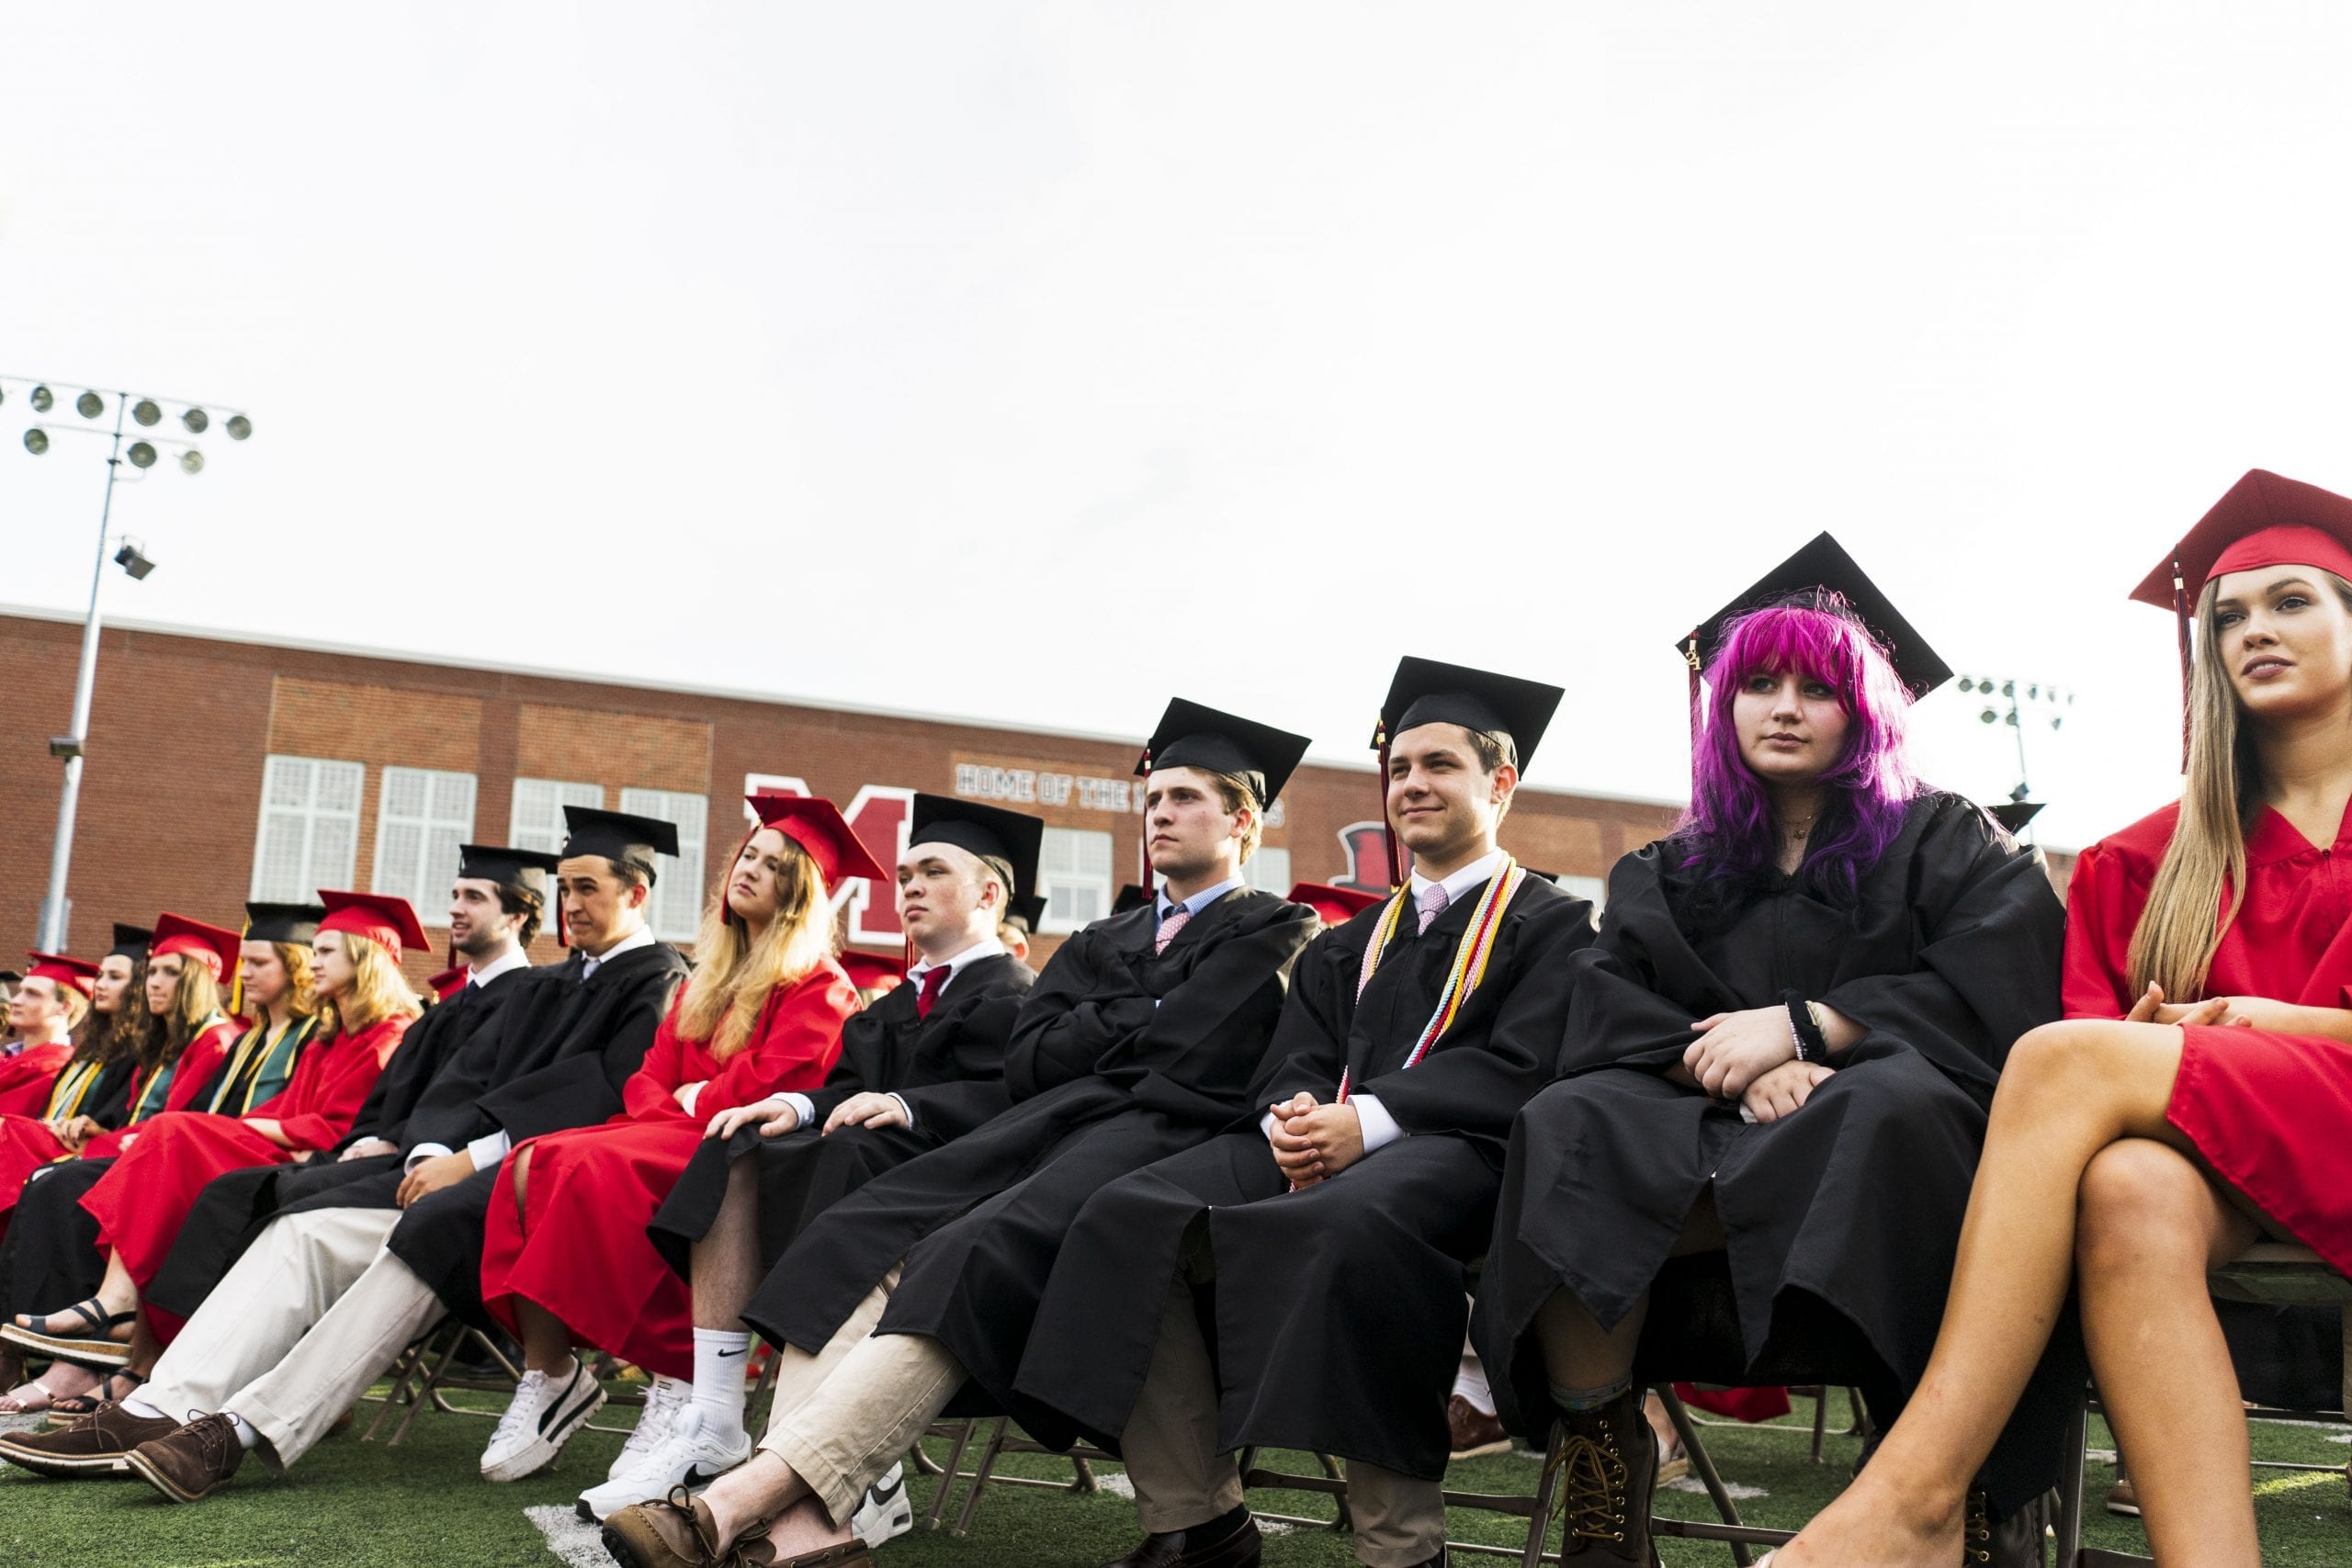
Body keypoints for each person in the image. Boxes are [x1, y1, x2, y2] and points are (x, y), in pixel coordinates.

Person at [1776, 470, 2352, 1568]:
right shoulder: (2145, 860)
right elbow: (2099, 1081)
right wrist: (2178, 1053)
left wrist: (2268, 1025)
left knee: (2067, 1062)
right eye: (2226, 615)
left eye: (2291, 602)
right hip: (2248, 1156)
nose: (2250, 631)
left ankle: (1916, 1496)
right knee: (2124, 1187)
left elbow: (2083, 1060)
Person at [601, 698, 1319, 1568]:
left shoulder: (1278, 927)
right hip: (1046, 1125)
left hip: (1167, 1134)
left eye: (1187, 798)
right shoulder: (1107, 933)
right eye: (1154, 797)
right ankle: (812, 1528)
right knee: (854, 1230)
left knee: (970, 1248)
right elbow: (1032, 1058)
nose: (1160, 814)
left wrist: (1098, 1025)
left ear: (1244, 820)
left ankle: (740, 1507)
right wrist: (1141, 1014)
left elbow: (1197, 1054)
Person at [1474, 535, 2065, 1565]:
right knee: (1565, 1122)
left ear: (1864, 709)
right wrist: (1735, 1060)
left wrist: (1814, 1029)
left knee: (1892, 1107)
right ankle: (1605, 1461)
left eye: (1815, 686)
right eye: (1757, 682)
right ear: (1724, 706)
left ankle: (1946, 1477)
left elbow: (2005, 985)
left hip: (1878, 1127)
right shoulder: (1672, 867)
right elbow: (1606, 1001)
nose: (1783, 706)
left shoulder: (1944, 838)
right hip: (1708, 1116)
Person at [1013, 660, 1597, 1568]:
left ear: (1500, 782)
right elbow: (1298, 1051)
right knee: (1129, 1215)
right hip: (1318, 1144)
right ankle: (1194, 1518)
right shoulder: (1354, 941)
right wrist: (1288, 1110)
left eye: (1438, 765)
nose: (1410, 786)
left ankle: (1400, 1549)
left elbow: (1527, 1067)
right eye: (1398, 769)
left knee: (1348, 1224)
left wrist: (1368, 1121)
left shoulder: (1554, 924)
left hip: (1471, 1154)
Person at [0, 810, 690, 1498]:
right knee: (298, 1226)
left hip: (531, 1189)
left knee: (418, 1236)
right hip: (452, 1172)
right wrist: (424, 1147)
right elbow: (472, 1079)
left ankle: (236, 1432)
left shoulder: (655, 980)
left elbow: (605, 1096)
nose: (572, 905)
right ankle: (157, 1405)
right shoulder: (553, 983)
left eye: (588, 888)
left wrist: (474, 1156)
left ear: (636, 892)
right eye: (566, 887)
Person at [605, 795, 1043, 1524]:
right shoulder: (900, 1002)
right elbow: (843, 1086)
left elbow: (1019, 1102)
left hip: (951, 1191)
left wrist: (912, 1106)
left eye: (934, 871)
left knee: (853, 1147)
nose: (910, 887)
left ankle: (854, 1467)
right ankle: (713, 1415)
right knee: (735, 1140)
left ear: (990, 894)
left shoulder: (1019, 996)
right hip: (866, 1169)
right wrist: (793, 1105)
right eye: (904, 874)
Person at [473, 795, 872, 1483]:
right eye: (748, 854)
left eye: (773, 865)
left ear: (799, 893)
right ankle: (550, 1372)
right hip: (671, 1132)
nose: (750, 869)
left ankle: (680, 1380)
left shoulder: (821, 987)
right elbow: (652, 1073)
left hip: (742, 1154)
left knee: (595, 1169)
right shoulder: (706, 978)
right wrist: (681, 1100)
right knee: (530, 1160)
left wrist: (696, 1099)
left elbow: (774, 1082)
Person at [0, 892, 423, 1378]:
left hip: (327, 1162)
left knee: (170, 1134)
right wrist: (254, 1125)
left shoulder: (389, 1032)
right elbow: (283, 1109)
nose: (314, 962)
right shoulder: (331, 1036)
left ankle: (115, 1309)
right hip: (287, 1146)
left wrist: (250, 1126)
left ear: (366, 959)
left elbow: (342, 1126)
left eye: (326, 952)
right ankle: (111, 1311)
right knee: (147, 1142)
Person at [139, 847, 552, 1328]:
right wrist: (376, 1135)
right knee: (236, 1192)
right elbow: (395, 1101)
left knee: (266, 1202)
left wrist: (411, 1146)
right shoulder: (444, 1013)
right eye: (455, 895)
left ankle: (178, 1351)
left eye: (474, 897)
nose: (455, 907)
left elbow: (497, 1101)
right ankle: (164, 1353)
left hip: (450, 1175)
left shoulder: (536, 999)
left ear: (517, 915)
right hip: (390, 1158)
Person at [198, 903, 326, 1117]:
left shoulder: (317, 1036)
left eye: (258, 963)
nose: (243, 974)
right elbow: (202, 1109)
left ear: (296, 967)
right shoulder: (245, 1042)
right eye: (243, 962)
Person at [0, 954, 96, 1114]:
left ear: (64, 1007)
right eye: (20, 992)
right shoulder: (7, 1058)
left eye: (32, 994)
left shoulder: (62, 1073)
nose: (16, 1001)